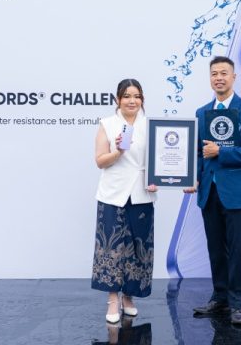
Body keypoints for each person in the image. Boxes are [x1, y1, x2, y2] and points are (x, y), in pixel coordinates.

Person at [184, 56, 241, 325]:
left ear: (233, 77)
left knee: (238, 250)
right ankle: (220, 299)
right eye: (214, 74)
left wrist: (221, 151)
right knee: (216, 249)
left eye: (223, 73)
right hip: (209, 192)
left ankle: (237, 304)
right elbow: (198, 153)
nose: (218, 78)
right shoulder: (201, 113)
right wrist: (193, 178)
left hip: (237, 193)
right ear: (210, 78)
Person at [91, 79, 158, 324]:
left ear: (142, 99)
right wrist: (118, 151)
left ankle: (129, 297)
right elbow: (100, 161)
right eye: (127, 96)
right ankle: (112, 299)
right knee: (112, 247)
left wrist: (157, 177)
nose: (132, 101)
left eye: (137, 96)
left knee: (139, 247)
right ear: (117, 99)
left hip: (142, 193)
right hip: (113, 193)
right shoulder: (107, 124)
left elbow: (160, 158)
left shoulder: (151, 125)